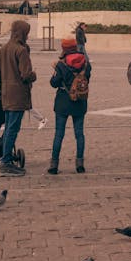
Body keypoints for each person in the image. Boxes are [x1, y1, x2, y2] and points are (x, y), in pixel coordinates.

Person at [0, 20, 35, 177]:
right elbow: (26, 74)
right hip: (18, 96)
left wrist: (4, 87)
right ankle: (6, 162)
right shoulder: (21, 50)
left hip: (6, 95)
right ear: (23, 33)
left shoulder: (4, 49)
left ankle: (6, 158)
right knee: (12, 129)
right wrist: (34, 75)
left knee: (9, 127)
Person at [47, 37, 90, 174]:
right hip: (80, 101)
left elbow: (54, 83)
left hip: (63, 102)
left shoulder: (61, 64)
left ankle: (54, 165)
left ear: (64, 49)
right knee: (79, 134)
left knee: (59, 134)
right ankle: (80, 164)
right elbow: (87, 79)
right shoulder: (86, 62)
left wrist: (55, 69)